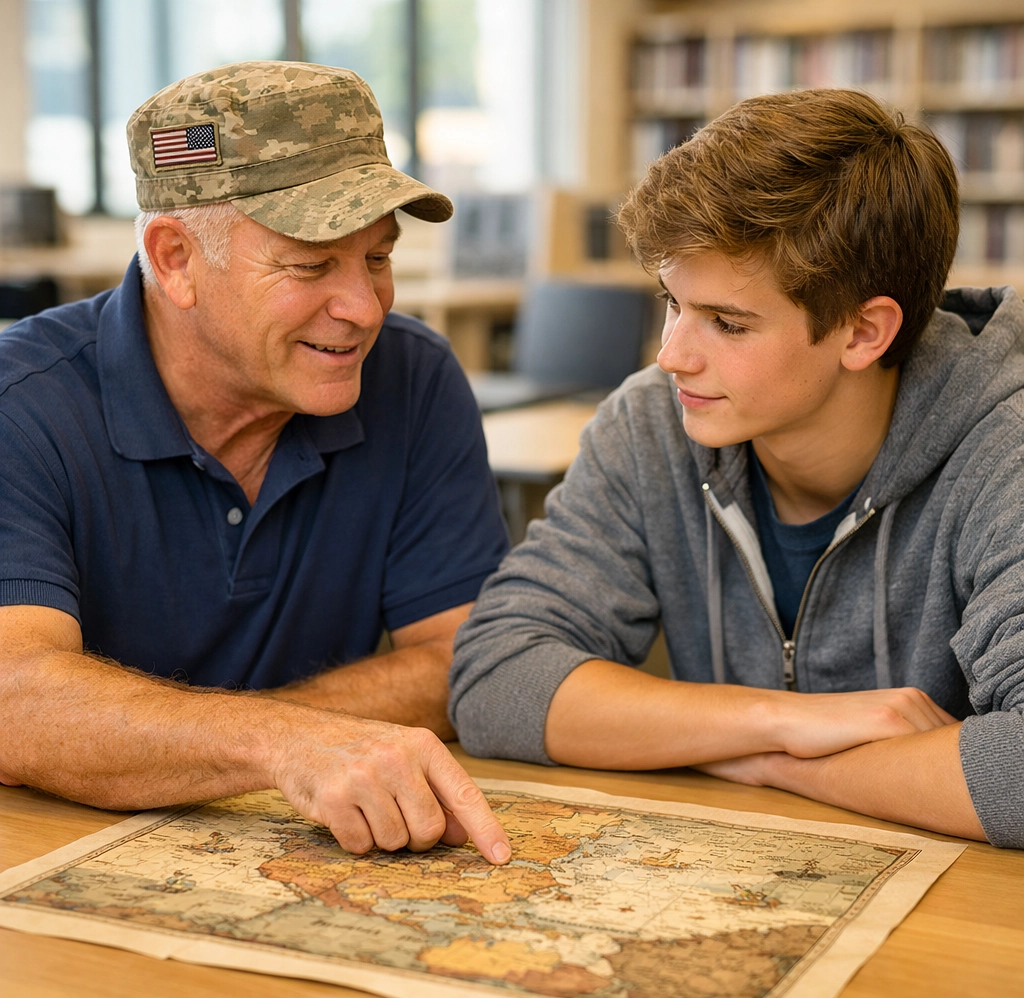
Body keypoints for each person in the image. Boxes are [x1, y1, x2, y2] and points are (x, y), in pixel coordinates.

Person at [450, 88, 1024, 848]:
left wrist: (778, 763)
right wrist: (783, 721)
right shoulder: (651, 422)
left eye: (727, 323)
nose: (671, 355)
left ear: (863, 332)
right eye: (672, 302)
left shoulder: (1003, 448)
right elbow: (496, 678)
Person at [0, 62, 513, 866]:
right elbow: (12, 697)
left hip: (284, 861)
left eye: (377, 258)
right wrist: (281, 744)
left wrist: (267, 745)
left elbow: (470, 655)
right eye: (311, 266)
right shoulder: (18, 404)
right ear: (175, 260)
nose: (364, 308)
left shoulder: (413, 378)